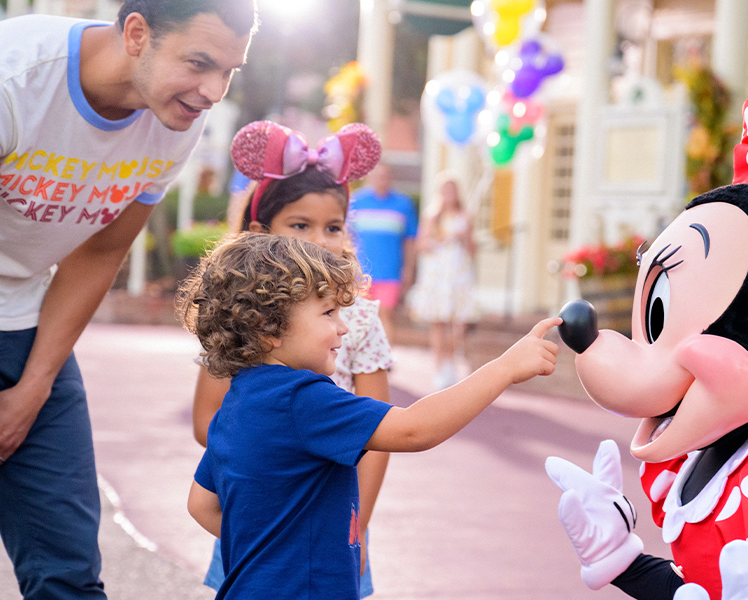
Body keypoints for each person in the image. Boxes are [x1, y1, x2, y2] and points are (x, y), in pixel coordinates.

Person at [0, 1, 255, 597]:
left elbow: (98, 253)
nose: (212, 91)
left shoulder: (173, 114)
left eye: (230, 71)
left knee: (67, 571)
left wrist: (36, 385)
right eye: (200, 62)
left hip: (22, 310)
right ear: (136, 33)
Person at [181, 232, 559, 599]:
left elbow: (201, 503)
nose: (342, 326)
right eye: (328, 312)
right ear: (269, 329)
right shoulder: (303, 399)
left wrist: (275, 550)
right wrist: (505, 368)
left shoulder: (238, 400)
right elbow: (415, 429)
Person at [192, 120, 392, 597]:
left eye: (334, 227)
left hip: (333, 521)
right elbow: (208, 422)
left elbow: (382, 434)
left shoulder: (359, 318)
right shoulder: (245, 317)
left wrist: (355, 526)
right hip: (262, 510)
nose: (320, 240)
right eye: (300, 225)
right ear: (261, 232)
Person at [407, 173, 480, 389]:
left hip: (457, 274)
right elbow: (421, 245)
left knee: (458, 322)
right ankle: (440, 366)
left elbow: (472, 250)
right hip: (438, 274)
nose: (450, 194)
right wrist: (439, 240)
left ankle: (451, 360)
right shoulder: (432, 216)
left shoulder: (465, 217)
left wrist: (463, 236)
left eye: (453, 190)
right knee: (438, 322)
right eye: (446, 190)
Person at [347, 163, 419, 339]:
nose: (381, 180)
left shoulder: (403, 204)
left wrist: (409, 270)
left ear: (390, 178)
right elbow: (346, 237)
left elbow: (410, 242)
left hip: (390, 272)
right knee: (360, 317)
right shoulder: (356, 201)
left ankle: (384, 362)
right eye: (377, 176)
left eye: (385, 176)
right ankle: (361, 362)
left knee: (385, 315)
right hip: (360, 272)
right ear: (370, 178)